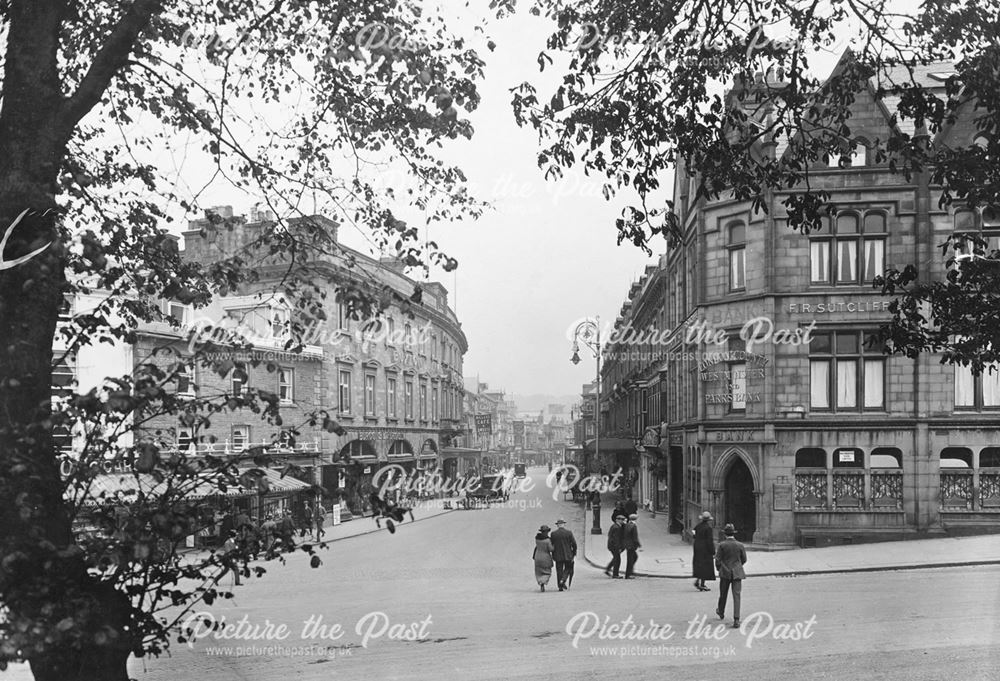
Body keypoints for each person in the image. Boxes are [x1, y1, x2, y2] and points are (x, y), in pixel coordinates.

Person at [715, 523, 748, 629]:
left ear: (725, 534)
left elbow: (718, 560)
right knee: (737, 596)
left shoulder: (722, 545)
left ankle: (721, 611)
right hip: (737, 572)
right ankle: (736, 619)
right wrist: (738, 566)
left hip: (725, 572)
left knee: (723, 594)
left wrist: (719, 569)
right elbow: (744, 559)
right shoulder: (740, 545)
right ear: (733, 534)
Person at [550, 518, 577, 591]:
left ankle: (560, 586)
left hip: (557, 555)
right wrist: (574, 553)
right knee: (568, 568)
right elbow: (574, 544)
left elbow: (551, 545)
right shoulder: (569, 533)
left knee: (559, 570)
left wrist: (552, 554)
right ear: (564, 524)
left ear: (557, 525)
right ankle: (563, 580)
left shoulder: (553, 534)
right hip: (568, 554)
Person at [692, 511, 716, 592]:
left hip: (697, 547)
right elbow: (710, 540)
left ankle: (698, 580)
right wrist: (713, 551)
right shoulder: (708, 528)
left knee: (699, 564)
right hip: (705, 549)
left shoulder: (698, 526)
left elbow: (693, 533)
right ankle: (702, 584)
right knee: (705, 566)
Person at [532, 525, 555, 592]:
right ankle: (543, 581)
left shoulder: (537, 539)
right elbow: (551, 549)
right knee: (547, 571)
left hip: (537, 557)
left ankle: (540, 581)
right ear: (547, 532)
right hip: (546, 557)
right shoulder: (547, 540)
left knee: (538, 572)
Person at [622, 513, 641, 578]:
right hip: (631, 545)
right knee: (630, 559)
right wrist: (638, 544)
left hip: (627, 544)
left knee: (634, 557)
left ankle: (630, 571)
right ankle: (628, 574)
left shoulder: (627, 525)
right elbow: (635, 537)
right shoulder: (634, 526)